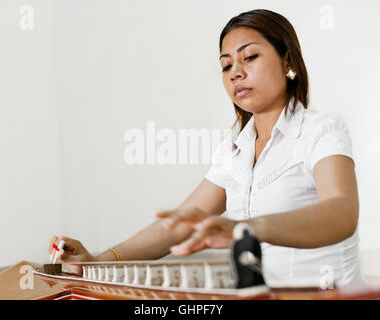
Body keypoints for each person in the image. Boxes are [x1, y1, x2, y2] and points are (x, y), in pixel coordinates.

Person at [48, 9, 364, 287]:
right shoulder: (233, 150)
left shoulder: (321, 130)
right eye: (226, 65)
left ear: (288, 61)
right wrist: (97, 262)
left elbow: (342, 212)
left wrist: (245, 229)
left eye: (250, 57)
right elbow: (180, 228)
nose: (236, 72)